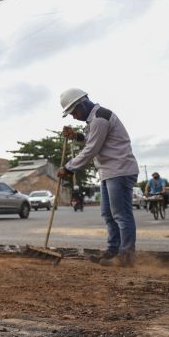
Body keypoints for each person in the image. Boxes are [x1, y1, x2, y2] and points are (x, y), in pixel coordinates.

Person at [57, 88, 138, 267]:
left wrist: (69, 168)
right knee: (108, 214)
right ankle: (113, 251)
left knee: (121, 215)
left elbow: (92, 148)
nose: (74, 116)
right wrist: (76, 135)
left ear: (83, 104)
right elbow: (90, 139)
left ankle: (126, 257)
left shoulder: (101, 118)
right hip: (109, 172)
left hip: (120, 170)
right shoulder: (94, 119)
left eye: (74, 112)